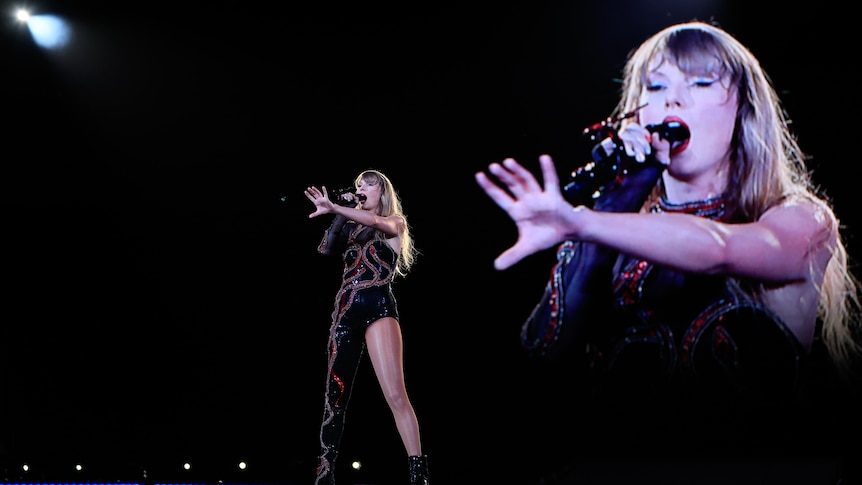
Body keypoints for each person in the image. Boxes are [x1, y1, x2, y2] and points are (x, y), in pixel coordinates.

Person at [475, 20, 862, 476]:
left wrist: (582, 221)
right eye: (656, 86)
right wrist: (620, 195)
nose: (672, 99)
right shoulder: (612, 226)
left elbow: (719, 250)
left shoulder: (800, 219)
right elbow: (545, 350)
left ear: (744, 107)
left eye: (699, 82)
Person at [304, 169, 429, 485]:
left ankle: (418, 474)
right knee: (335, 395)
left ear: (381, 193)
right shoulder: (347, 225)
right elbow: (324, 250)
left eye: (368, 185)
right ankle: (325, 473)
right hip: (345, 311)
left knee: (395, 394)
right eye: (358, 185)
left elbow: (376, 223)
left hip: (378, 308)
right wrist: (335, 215)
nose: (361, 189)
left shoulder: (394, 223)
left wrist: (338, 209)